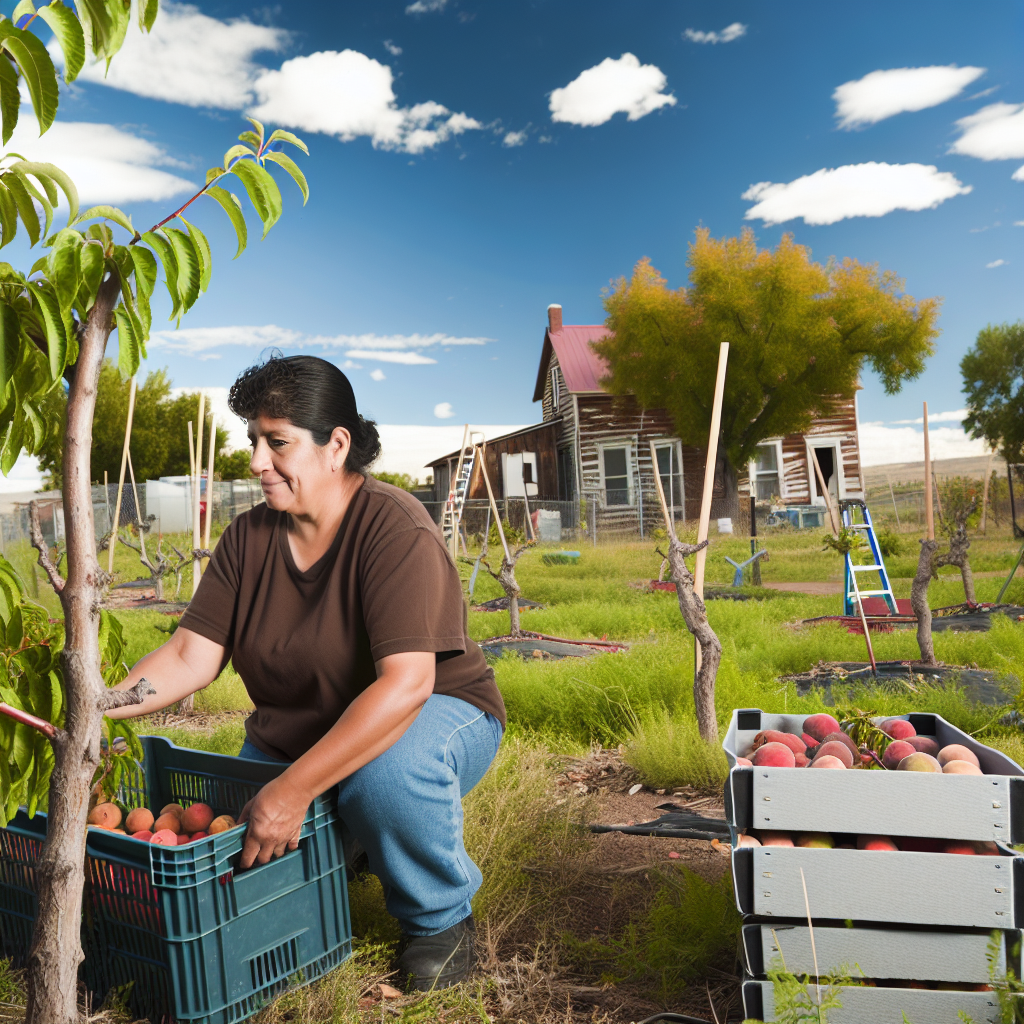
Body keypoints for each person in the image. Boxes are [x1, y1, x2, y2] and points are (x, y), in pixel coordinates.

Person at [106, 354, 505, 991]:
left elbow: (407, 684)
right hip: (297, 732)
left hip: (432, 715)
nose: (259, 462)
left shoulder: (394, 528)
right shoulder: (247, 539)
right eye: (255, 442)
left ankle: (439, 921)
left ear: (335, 445)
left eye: (278, 442)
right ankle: (348, 843)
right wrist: (95, 704)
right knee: (242, 837)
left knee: (382, 781)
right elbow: (189, 657)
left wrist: (291, 793)